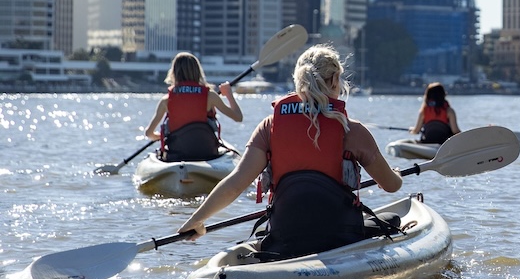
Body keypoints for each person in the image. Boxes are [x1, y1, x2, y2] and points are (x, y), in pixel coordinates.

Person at [178, 45, 403, 259]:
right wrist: (396, 174)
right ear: (335, 80)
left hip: (285, 235)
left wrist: (196, 219)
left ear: (298, 81)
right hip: (339, 237)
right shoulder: (352, 130)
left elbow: (236, 183)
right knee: (392, 219)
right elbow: (392, 185)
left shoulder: (269, 126)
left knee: (262, 234)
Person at [143, 52, 243, 161]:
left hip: (177, 153)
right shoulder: (210, 96)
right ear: (198, 71)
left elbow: (149, 133)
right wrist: (228, 94)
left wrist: (161, 137)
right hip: (207, 152)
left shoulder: (166, 100)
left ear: (174, 73)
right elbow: (238, 117)